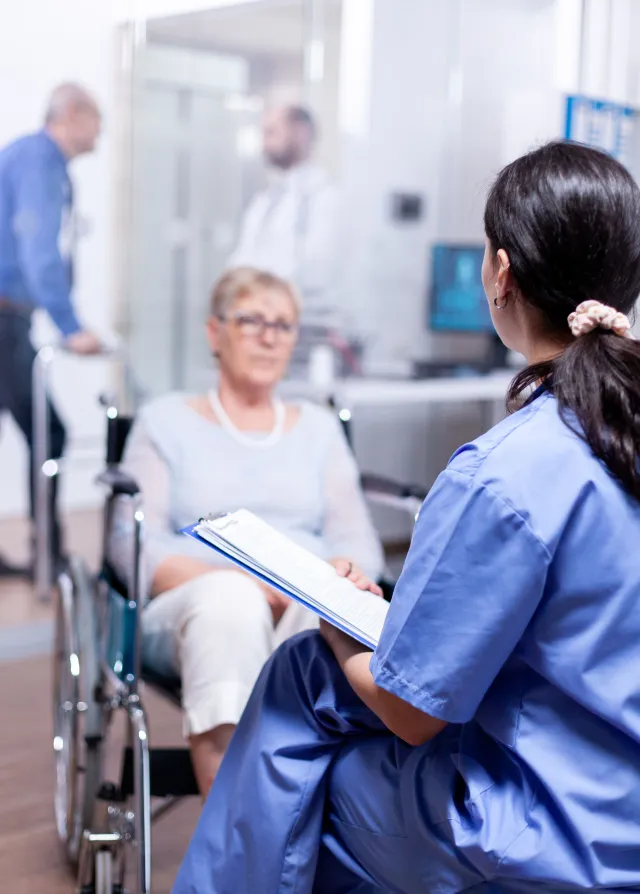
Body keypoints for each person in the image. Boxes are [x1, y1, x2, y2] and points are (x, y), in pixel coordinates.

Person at [172, 141, 640, 894]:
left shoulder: (504, 471)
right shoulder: (615, 438)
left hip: (539, 836)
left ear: (500, 272)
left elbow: (410, 714)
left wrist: (334, 618)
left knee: (305, 690)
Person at [111, 267, 383, 796]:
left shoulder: (318, 428)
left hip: (302, 600)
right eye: (251, 319)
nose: (267, 335)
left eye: (282, 325)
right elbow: (131, 546)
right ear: (216, 332)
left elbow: (357, 539)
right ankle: (235, 831)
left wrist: (344, 573)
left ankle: (311, 814)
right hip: (192, 603)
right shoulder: (164, 421)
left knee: (332, 607)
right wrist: (245, 582)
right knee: (229, 601)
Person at [0, 83, 102, 577]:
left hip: (11, 317)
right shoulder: (38, 160)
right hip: (3, 318)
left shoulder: (34, 159)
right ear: (72, 114)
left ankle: (45, 549)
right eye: (96, 119)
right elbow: (38, 249)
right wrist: (70, 325)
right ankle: (49, 554)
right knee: (51, 432)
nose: (100, 131)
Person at [228, 106, 341, 328]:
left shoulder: (326, 200)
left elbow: (313, 271)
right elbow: (240, 262)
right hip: (257, 323)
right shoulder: (264, 202)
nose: (264, 145)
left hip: (302, 327)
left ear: (301, 133)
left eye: (272, 133)